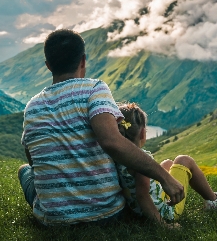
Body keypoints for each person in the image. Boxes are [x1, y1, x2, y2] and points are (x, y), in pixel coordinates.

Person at [17, 29, 184, 226]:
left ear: (48, 66)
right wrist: (165, 177)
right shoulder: (95, 89)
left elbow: (34, 161)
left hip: (53, 220)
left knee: (24, 170)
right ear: (83, 61)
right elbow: (111, 142)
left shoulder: (32, 106)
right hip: (107, 214)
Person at [116, 103, 217, 226]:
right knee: (184, 160)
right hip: (165, 212)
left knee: (167, 163)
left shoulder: (118, 156)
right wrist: (164, 225)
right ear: (142, 134)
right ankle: (214, 201)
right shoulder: (141, 161)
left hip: (138, 210)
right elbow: (142, 196)